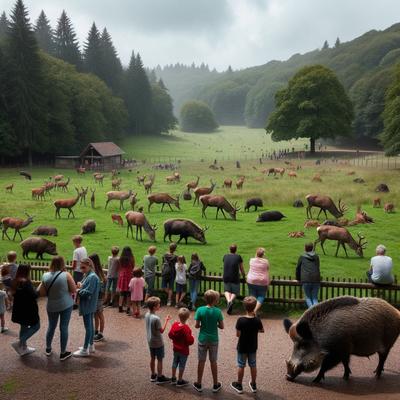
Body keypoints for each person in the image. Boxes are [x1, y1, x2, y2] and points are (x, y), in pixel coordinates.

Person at [38, 256, 76, 360]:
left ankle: (48, 348)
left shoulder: (45, 276)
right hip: (66, 304)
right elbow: (73, 290)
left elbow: (41, 293)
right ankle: (63, 352)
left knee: (51, 326)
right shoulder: (66, 275)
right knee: (64, 327)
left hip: (51, 305)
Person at [230, 296, 264, 394]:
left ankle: (239, 385)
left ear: (244, 307)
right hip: (253, 346)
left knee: (241, 365)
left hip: (242, 346)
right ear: (254, 307)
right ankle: (253, 384)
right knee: (253, 365)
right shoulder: (257, 320)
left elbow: (238, 334)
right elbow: (262, 330)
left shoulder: (240, 320)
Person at [193, 290, 224, 393]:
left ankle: (198, 383)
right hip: (214, 339)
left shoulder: (200, 310)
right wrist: (215, 325)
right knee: (213, 361)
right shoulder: (218, 311)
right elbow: (222, 326)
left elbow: (196, 325)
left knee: (201, 361)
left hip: (202, 338)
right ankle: (215, 384)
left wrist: (202, 325)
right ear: (215, 300)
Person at [11, 264, 40, 356]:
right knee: (36, 326)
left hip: (19, 309)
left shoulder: (15, 281)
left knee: (23, 327)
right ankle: (20, 342)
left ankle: (24, 347)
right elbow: (34, 295)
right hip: (28, 310)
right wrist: (38, 290)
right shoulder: (26, 282)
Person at [73, 258, 100, 357]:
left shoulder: (92, 277)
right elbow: (86, 286)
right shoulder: (89, 274)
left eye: (83, 267)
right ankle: (91, 345)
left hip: (88, 304)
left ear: (89, 265)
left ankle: (85, 349)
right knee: (90, 326)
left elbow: (88, 292)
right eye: (81, 268)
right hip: (90, 304)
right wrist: (81, 285)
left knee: (88, 327)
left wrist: (78, 290)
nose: (82, 270)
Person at [145, 296, 171, 384]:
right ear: (154, 307)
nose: (159, 305)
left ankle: (153, 375)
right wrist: (167, 321)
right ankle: (160, 377)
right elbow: (162, 331)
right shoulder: (156, 319)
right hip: (158, 342)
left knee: (152, 358)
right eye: (158, 304)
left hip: (150, 341)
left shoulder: (147, 314)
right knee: (160, 359)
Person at [168, 307, 194, 386]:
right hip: (183, 350)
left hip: (175, 348)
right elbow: (190, 341)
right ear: (188, 317)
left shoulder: (175, 325)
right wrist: (192, 338)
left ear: (179, 316)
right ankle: (180, 380)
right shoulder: (186, 328)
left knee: (174, 362)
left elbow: (170, 335)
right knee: (182, 365)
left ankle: (173, 378)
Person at [296, 243, 321, 308]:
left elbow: (298, 268)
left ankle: (313, 313)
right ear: (312, 248)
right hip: (316, 279)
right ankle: (317, 313)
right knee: (315, 298)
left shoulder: (302, 257)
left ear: (305, 248)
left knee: (308, 298)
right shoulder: (316, 256)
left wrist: (298, 278)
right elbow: (318, 267)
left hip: (306, 279)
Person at [223, 244, 245, 315]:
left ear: (229, 249)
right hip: (235, 277)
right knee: (235, 292)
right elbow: (241, 268)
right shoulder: (238, 257)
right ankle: (230, 301)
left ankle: (229, 301)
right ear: (236, 249)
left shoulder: (225, 256)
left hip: (226, 276)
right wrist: (244, 275)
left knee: (227, 290)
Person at [247, 248, 270, 314]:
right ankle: (255, 310)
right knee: (261, 296)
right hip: (262, 281)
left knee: (252, 296)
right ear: (263, 254)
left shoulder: (251, 260)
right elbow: (267, 269)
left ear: (256, 253)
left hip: (251, 280)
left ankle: (251, 310)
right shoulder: (266, 261)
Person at [89, 254, 106, 342]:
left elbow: (102, 287)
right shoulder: (95, 271)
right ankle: (96, 330)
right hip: (96, 297)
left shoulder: (98, 273)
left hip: (98, 298)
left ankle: (101, 333)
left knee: (99, 314)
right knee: (95, 315)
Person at [117, 246, 135, 314]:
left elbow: (119, 266)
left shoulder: (121, 258)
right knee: (128, 293)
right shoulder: (131, 258)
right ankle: (128, 308)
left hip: (122, 275)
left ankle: (120, 307)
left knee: (121, 293)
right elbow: (133, 266)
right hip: (129, 276)